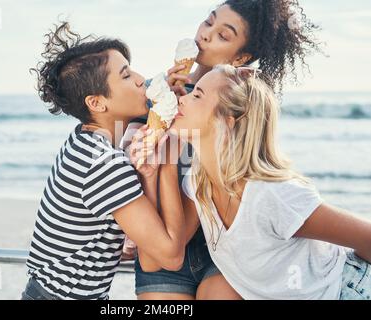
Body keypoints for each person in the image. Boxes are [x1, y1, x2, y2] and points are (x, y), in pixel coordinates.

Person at [128, 0, 322, 300]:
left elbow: (249, 173)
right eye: (208, 22)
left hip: (221, 251)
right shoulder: (154, 92)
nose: (205, 35)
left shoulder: (241, 104)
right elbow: (129, 157)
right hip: (162, 240)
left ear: (241, 57)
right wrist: (159, 102)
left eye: (223, 35)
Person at [132, 64, 371, 300]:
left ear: (227, 121)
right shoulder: (199, 184)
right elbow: (162, 256)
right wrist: (160, 167)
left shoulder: (271, 195)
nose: (181, 99)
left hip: (346, 289)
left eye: (197, 95)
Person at [22, 22, 186, 300]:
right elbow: (171, 256)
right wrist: (169, 158)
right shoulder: (104, 163)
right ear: (96, 103)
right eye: (125, 76)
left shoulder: (82, 141)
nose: (140, 79)